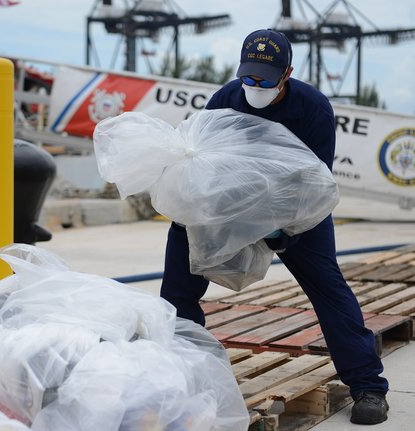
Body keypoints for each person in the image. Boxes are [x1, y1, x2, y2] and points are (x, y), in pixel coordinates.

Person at [160, 29, 389, 425]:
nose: (255, 87)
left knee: (328, 286)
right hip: (233, 202)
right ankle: (183, 368)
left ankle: (368, 386)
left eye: (265, 80)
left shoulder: (313, 109)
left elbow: (315, 185)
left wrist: (284, 230)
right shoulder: (226, 99)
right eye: (248, 77)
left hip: (297, 210)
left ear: (287, 74)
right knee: (181, 259)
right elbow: (204, 163)